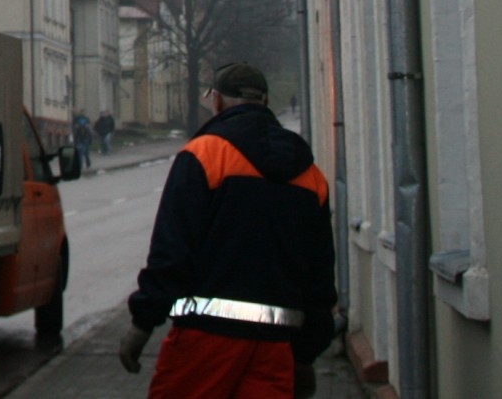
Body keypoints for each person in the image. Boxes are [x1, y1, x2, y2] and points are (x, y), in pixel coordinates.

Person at [118, 62, 337, 398]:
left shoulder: (205, 155)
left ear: (217, 101)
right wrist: (305, 356)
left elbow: (171, 252)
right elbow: (319, 275)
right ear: (264, 102)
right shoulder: (309, 174)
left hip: (203, 343)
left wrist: (143, 322)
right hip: (276, 347)